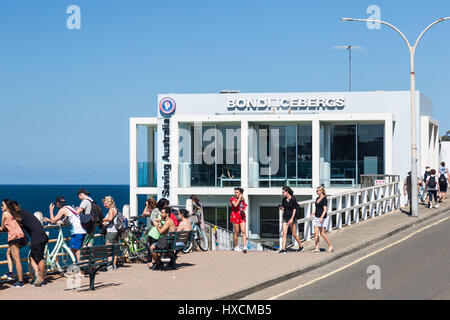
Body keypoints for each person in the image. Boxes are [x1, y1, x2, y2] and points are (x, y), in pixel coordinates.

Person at [13, 201, 48, 287]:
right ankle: (38, 277)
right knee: (32, 257)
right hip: (41, 236)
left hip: (37, 237)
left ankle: (41, 279)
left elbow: (17, 226)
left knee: (39, 258)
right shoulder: (24, 212)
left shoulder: (20, 215)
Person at [44, 196, 86, 262]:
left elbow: (53, 221)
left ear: (57, 203)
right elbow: (64, 222)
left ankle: (81, 265)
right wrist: (49, 220)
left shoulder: (62, 210)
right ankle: (82, 263)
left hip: (77, 231)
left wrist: (51, 210)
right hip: (82, 230)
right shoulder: (69, 207)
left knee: (76, 249)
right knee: (75, 248)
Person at [0, 200, 27, 288]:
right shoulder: (14, 213)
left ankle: (20, 281)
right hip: (22, 237)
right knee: (8, 253)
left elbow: (3, 227)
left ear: (7, 206)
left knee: (17, 260)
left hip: (14, 238)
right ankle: (10, 272)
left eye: (2, 205)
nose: (1, 206)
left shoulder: (4, 214)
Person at [278, 186, 305, 254]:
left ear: (287, 192)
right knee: (284, 233)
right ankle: (283, 249)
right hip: (285, 218)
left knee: (293, 234)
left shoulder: (293, 199)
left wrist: (292, 219)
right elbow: (284, 208)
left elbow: (294, 209)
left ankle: (301, 246)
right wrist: (281, 208)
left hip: (292, 218)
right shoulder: (283, 200)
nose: (282, 193)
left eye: (283, 192)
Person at [145, 198, 169, 267]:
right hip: (154, 231)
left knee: (156, 247)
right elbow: (152, 220)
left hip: (159, 232)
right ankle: (149, 261)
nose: (166, 206)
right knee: (152, 246)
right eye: (165, 204)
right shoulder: (156, 210)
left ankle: (157, 261)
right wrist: (158, 222)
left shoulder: (163, 211)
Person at [310, 186, 333, 253]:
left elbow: (325, 210)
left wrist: (321, 217)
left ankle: (330, 245)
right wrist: (312, 214)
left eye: (318, 190)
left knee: (322, 233)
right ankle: (317, 248)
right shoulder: (317, 198)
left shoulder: (324, 199)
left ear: (322, 191)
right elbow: (317, 209)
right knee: (316, 233)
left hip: (322, 218)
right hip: (316, 217)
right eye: (316, 191)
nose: (317, 192)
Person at [102, 196, 120, 270]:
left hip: (111, 231)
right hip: (117, 231)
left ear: (109, 202)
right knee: (115, 248)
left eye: (105, 203)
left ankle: (109, 265)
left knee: (109, 248)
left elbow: (110, 219)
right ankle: (114, 264)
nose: (104, 205)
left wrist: (101, 219)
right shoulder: (116, 209)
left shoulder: (111, 210)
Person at [229, 187, 248, 253]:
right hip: (235, 216)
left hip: (242, 216)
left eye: (237, 192)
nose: (235, 193)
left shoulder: (243, 199)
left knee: (243, 231)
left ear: (241, 193)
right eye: (235, 192)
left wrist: (243, 210)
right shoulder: (232, 199)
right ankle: (236, 246)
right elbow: (235, 205)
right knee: (236, 231)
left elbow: (244, 206)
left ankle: (245, 246)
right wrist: (240, 198)